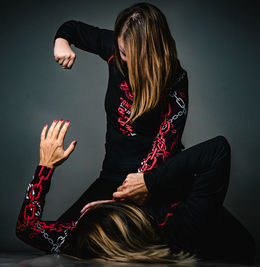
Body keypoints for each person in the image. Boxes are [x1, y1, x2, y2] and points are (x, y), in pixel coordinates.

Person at [15, 120, 256, 264]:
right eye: (90, 210)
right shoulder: (184, 225)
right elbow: (217, 150)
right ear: (128, 208)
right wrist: (150, 182)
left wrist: (45, 166)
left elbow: (27, 229)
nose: (84, 208)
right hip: (236, 245)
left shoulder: (88, 245)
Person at [52, 2, 189, 222]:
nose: (121, 58)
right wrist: (61, 43)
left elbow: (165, 144)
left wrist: (119, 203)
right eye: (120, 50)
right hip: (113, 177)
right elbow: (73, 28)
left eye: (128, 54)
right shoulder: (115, 50)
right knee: (64, 239)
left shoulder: (175, 78)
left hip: (155, 180)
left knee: (237, 245)